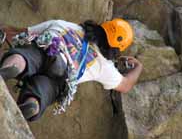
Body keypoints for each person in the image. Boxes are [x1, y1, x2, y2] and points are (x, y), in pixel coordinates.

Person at [0, 18, 143, 121]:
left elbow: (22, 34)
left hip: (50, 48)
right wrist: (138, 67)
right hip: (63, 76)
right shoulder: (104, 66)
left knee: (28, 56)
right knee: (45, 90)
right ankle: (33, 103)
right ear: (116, 49)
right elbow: (126, 85)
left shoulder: (64, 24)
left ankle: (14, 65)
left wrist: (3, 29)